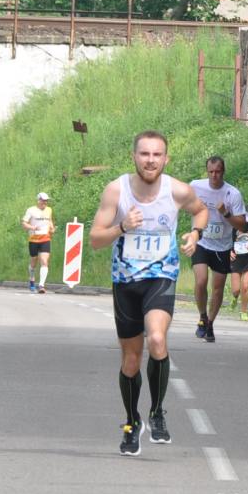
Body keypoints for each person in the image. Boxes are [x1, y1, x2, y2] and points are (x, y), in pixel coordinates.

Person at [89, 130, 208, 456]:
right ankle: (132, 422)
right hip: (126, 282)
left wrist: (195, 233)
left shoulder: (177, 190)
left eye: (157, 155)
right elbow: (96, 239)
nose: (150, 161)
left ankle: (157, 412)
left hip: (161, 277)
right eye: (144, 154)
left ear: (166, 158)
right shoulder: (117, 191)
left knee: (157, 339)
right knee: (130, 360)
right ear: (134, 157)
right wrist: (122, 227)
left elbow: (201, 210)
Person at [188, 156, 248, 342]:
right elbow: (181, 202)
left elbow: (242, 225)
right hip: (201, 241)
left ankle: (210, 323)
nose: (214, 175)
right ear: (207, 172)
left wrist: (226, 213)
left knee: (217, 288)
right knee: (201, 281)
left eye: (218, 172)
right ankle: (202, 317)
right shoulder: (196, 186)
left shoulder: (233, 194)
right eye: (211, 172)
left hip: (222, 246)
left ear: (223, 171)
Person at [22, 191, 55, 294]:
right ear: (38, 200)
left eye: (46, 201)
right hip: (34, 239)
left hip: (45, 239)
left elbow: (49, 220)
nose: (45, 202)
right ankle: (32, 279)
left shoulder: (49, 210)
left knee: (44, 261)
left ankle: (41, 285)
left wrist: (52, 228)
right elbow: (24, 223)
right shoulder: (31, 210)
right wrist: (32, 227)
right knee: (33, 261)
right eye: (43, 200)